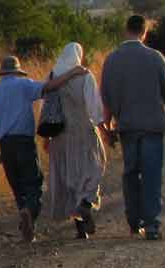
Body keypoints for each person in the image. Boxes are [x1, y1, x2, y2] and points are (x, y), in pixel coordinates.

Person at [100, 15, 165, 241]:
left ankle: (133, 221)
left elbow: (105, 96)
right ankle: (152, 225)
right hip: (152, 126)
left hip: (127, 126)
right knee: (151, 175)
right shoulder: (155, 58)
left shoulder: (112, 60)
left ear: (126, 30)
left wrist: (107, 126)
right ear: (144, 32)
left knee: (130, 174)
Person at [0, 56, 87, 243]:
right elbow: (50, 87)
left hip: (5, 143)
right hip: (24, 141)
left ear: (2, 72)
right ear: (18, 71)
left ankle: (27, 225)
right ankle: (29, 212)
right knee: (34, 183)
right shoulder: (24, 85)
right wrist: (72, 72)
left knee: (17, 185)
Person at [43, 43, 109, 240]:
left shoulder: (52, 76)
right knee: (95, 168)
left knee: (70, 177)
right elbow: (94, 108)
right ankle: (86, 203)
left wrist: (46, 136)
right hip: (83, 131)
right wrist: (105, 129)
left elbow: (46, 107)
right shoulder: (84, 75)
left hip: (60, 135)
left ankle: (80, 228)